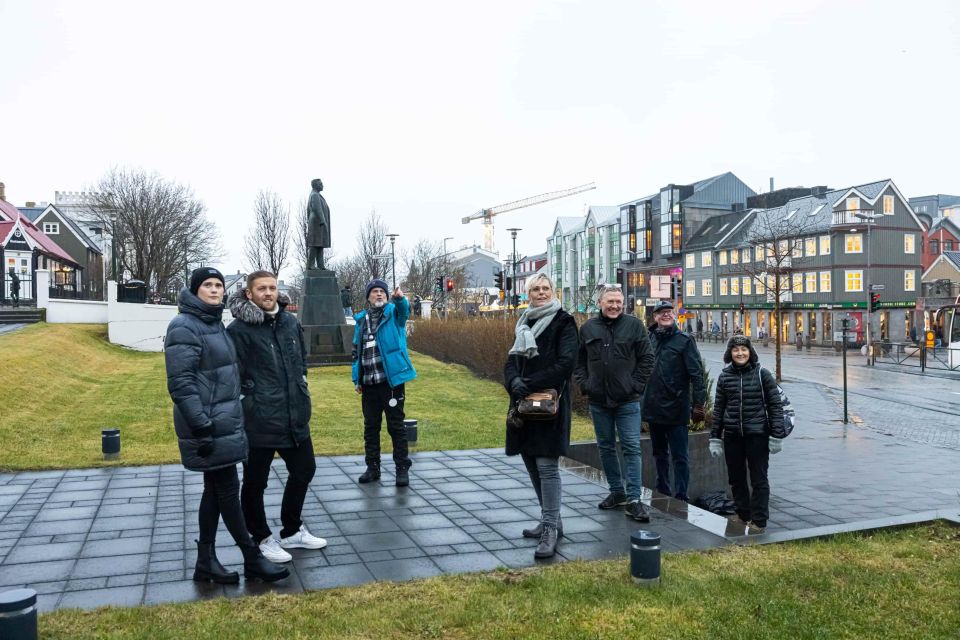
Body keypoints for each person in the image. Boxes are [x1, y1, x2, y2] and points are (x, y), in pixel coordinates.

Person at [164, 267, 288, 584]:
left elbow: (224, 371)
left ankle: (205, 560)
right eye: (208, 285)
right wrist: (202, 425)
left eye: (219, 285)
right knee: (228, 491)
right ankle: (252, 557)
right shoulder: (183, 326)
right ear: (194, 291)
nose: (215, 290)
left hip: (224, 421)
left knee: (214, 491)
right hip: (207, 426)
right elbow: (182, 383)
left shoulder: (213, 323)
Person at [227, 271, 327, 565]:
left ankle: (292, 529)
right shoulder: (239, 330)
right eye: (261, 289)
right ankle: (260, 538)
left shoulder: (289, 322)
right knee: (256, 482)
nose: (268, 293)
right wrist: (250, 401)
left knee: (304, 469)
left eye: (272, 287)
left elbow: (301, 361)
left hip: (294, 414)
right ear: (249, 293)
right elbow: (235, 374)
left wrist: (302, 383)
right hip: (259, 419)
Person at [503, 274, 578, 559]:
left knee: (547, 466)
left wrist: (530, 383)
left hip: (549, 405)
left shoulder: (564, 322)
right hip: (523, 405)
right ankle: (552, 520)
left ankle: (550, 529)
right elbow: (511, 360)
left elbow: (565, 364)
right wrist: (512, 382)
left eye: (545, 288)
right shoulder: (524, 322)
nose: (541, 292)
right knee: (532, 463)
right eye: (535, 288)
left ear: (553, 291)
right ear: (528, 294)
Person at [574, 286, 655, 522]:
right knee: (606, 447)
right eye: (610, 301)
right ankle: (616, 492)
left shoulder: (634, 326)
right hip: (599, 400)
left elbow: (647, 358)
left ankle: (634, 500)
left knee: (631, 446)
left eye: (619, 302)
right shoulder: (588, 328)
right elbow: (579, 361)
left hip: (627, 400)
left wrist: (635, 385)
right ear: (600, 302)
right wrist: (585, 384)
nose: (615, 306)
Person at [709, 335, 785, 533]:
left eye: (743, 349)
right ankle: (743, 515)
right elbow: (719, 409)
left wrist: (777, 435)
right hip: (733, 435)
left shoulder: (762, 374)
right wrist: (715, 437)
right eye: (735, 350)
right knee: (736, 478)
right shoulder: (725, 376)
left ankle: (759, 521)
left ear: (750, 352)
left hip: (757, 435)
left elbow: (775, 406)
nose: (740, 353)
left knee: (758, 478)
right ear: (730, 353)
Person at [352, 279, 417, 486]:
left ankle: (401, 468)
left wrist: (400, 300)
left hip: (391, 382)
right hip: (369, 383)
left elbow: (404, 311)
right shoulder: (361, 320)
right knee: (370, 427)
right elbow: (356, 351)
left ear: (387, 296)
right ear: (368, 297)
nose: (378, 294)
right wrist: (357, 378)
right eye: (374, 292)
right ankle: (373, 467)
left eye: (382, 292)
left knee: (396, 426)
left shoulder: (394, 314)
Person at [642, 300, 705, 503]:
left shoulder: (684, 341)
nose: (666, 315)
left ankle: (681, 496)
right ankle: (662, 491)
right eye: (661, 312)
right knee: (659, 454)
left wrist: (698, 404)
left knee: (680, 456)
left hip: (677, 408)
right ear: (655, 317)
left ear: (675, 315)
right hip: (653, 406)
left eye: (669, 312)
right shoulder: (649, 338)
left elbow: (697, 374)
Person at [306, 178, 331, 270]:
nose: (322, 185)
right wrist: (323, 221)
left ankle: (321, 265)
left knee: (320, 244)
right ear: (316, 185)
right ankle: (310, 265)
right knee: (314, 244)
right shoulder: (315, 195)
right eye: (320, 184)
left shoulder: (316, 195)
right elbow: (318, 209)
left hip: (317, 222)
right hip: (317, 222)